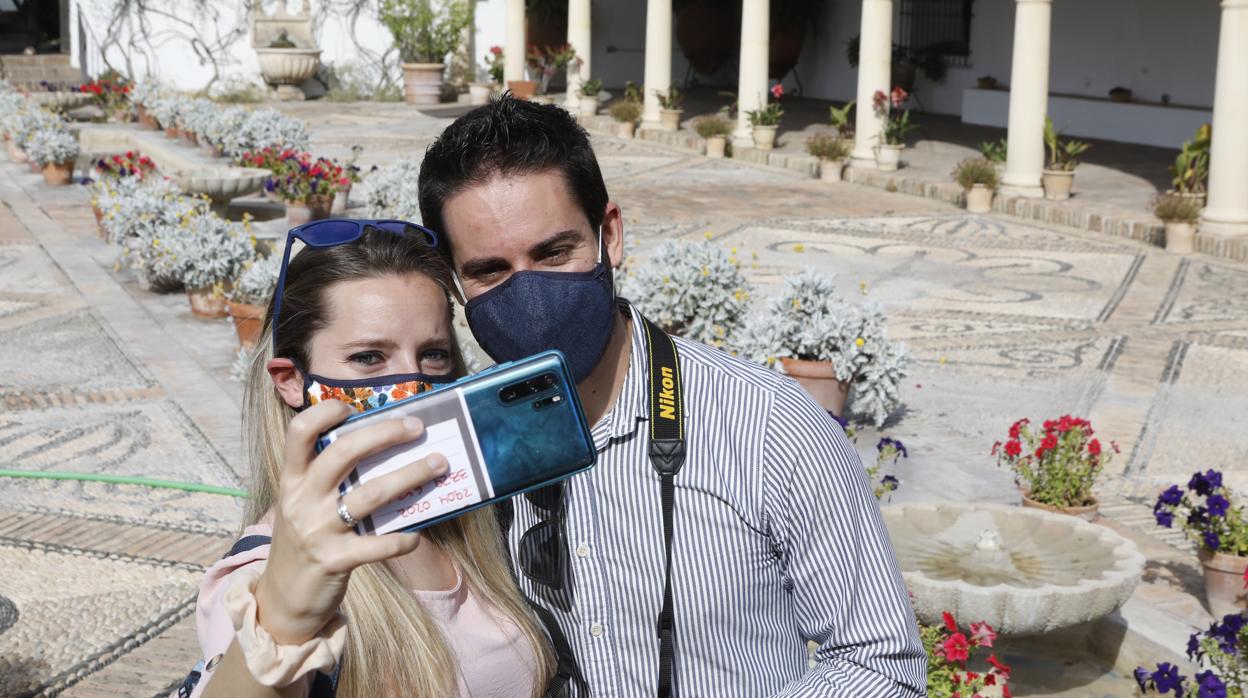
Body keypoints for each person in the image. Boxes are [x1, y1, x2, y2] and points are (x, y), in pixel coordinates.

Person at [418, 96, 927, 695]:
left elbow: (878, 663)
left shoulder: (770, 427)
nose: (528, 295)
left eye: (554, 252)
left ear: (609, 236)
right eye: (490, 270)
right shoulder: (455, 451)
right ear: (456, 283)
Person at [179, 224, 555, 698]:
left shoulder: (470, 515)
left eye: (433, 354)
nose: (410, 383)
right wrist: (281, 621)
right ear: (291, 381)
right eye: (369, 357)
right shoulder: (263, 575)